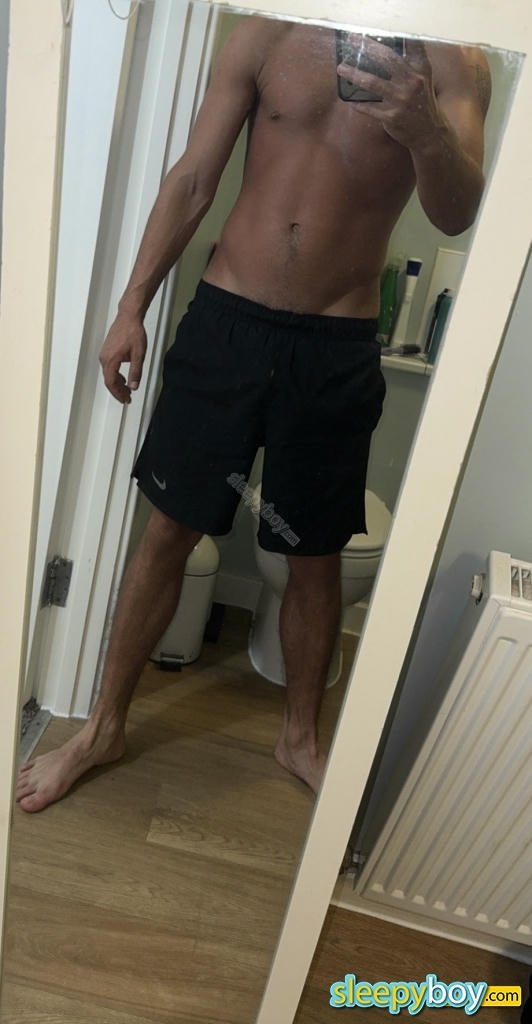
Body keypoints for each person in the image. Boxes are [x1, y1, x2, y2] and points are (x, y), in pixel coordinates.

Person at [16, 18, 491, 812]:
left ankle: (300, 738)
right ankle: (102, 728)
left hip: (336, 344)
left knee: (315, 554)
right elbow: (193, 181)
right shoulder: (268, 30)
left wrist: (425, 129)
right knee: (168, 530)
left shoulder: (456, 56)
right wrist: (131, 306)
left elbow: (456, 213)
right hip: (226, 322)